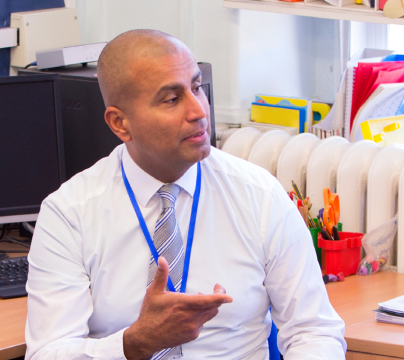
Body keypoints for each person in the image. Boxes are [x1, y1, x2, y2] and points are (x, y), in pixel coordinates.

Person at [25, 29, 346, 360]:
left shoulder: (258, 195)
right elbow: (48, 353)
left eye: (196, 88)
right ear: (120, 123)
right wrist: (135, 343)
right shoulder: (70, 213)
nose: (198, 111)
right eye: (172, 99)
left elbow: (314, 330)